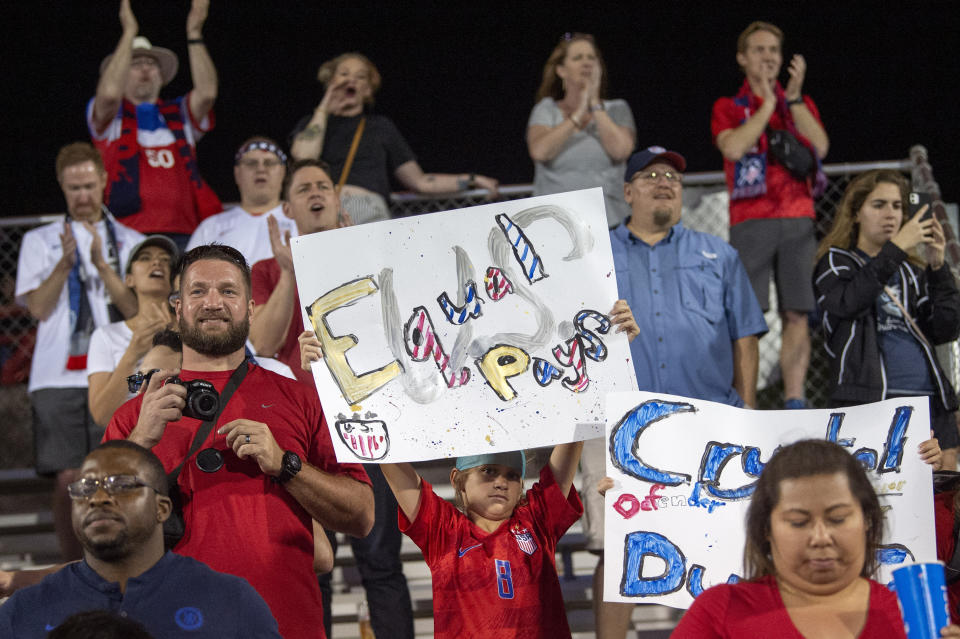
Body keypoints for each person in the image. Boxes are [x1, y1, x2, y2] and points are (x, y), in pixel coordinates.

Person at [103, 244, 375, 639]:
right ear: (177, 309)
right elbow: (101, 535)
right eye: (198, 291)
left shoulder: (301, 399)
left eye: (228, 291)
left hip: (285, 625)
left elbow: (362, 516)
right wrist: (142, 440)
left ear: (250, 308)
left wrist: (287, 465)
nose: (213, 302)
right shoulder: (133, 418)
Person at [584, 146, 768, 638]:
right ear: (627, 192)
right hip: (621, 423)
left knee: (715, 545)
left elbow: (744, 335)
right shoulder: (595, 257)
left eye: (673, 176)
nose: (664, 182)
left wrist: (745, 411)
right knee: (618, 547)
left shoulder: (719, 254)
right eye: (650, 175)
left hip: (706, 422)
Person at [254, 158, 414, 638]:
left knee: (382, 562)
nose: (316, 193)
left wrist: (354, 254)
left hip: (370, 424)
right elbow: (261, 344)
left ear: (339, 200)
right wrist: (288, 272)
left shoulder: (368, 260)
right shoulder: (264, 270)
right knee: (314, 565)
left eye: (324, 185)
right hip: (302, 433)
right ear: (287, 206)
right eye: (303, 188)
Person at [671, 439, 960, 638]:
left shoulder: (911, 618)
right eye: (798, 522)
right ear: (766, 529)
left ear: (868, 521)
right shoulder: (720, 612)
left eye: (838, 518)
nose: (821, 537)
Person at [0, 440, 282, 638]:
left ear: (162, 509)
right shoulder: (24, 610)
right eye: (85, 488)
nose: (98, 499)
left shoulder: (230, 601)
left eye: (121, 485)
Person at [15, 141, 143, 560]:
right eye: (74, 189)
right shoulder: (40, 240)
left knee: (121, 470)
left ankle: (123, 560)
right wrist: (65, 264)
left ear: (105, 182)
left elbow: (137, 309)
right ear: (62, 188)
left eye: (89, 186)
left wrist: (104, 268)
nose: (83, 196)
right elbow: (36, 307)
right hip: (57, 375)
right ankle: (76, 568)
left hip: (117, 367)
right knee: (70, 476)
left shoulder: (131, 242)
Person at [711, 21, 830, 410]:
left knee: (797, 311)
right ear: (742, 58)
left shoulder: (798, 104)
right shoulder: (729, 107)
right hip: (751, 219)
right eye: (759, 50)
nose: (768, 58)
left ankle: (794, 397)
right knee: (748, 317)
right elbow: (734, 147)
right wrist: (764, 106)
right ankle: (745, 400)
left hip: (798, 215)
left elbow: (821, 146)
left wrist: (791, 101)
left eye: (774, 51)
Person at [814, 169, 960, 470]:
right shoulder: (836, 261)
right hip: (871, 401)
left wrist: (937, 266)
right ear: (855, 213)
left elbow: (945, 328)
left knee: (941, 501)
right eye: (878, 205)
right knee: (880, 497)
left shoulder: (910, 270)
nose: (890, 214)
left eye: (897, 206)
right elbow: (846, 302)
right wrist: (896, 250)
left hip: (929, 401)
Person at [289, 52, 498, 224]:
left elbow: (421, 181)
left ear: (368, 89)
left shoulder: (380, 127)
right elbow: (303, 155)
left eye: (360, 76)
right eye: (343, 74)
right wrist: (325, 106)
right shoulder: (313, 123)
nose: (351, 80)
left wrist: (472, 180)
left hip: (365, 206)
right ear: (330, 80)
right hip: (321, 207)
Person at [88, 0, 221, 244]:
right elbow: (108, 94)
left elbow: (208, 93)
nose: (145, 69)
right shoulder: (110, 119)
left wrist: (194, 34)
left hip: (186, 231)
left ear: (162, 75)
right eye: (135, 63)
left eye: (151, 63)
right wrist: (129, 33)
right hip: (126, 234)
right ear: (120, 74)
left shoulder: (179, 115)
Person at [526, 32, 636, 229]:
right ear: (561, 70)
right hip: (557, 224)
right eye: (577, 58)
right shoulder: (546, 110)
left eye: (591, 58)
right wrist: (578, 113)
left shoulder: (617, 109)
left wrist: (594, 104)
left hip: (611, 222)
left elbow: (620, 151)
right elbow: (540, 151)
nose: (586, 63)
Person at [87, 236, 177, 426]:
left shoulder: (191, 329)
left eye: (165, 260)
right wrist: (133, 353)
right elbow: (102, 415)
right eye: (145, 258)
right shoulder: (106, 336)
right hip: (133, 437)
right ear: (129, 279)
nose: (156, 262)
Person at [187, 137, 298, 265]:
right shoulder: (211, 227)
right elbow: (185, 276)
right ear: (237, 173)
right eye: (251, 163)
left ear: (283, 172)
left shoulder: (301, 220)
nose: (261, 169)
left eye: (269, 163)